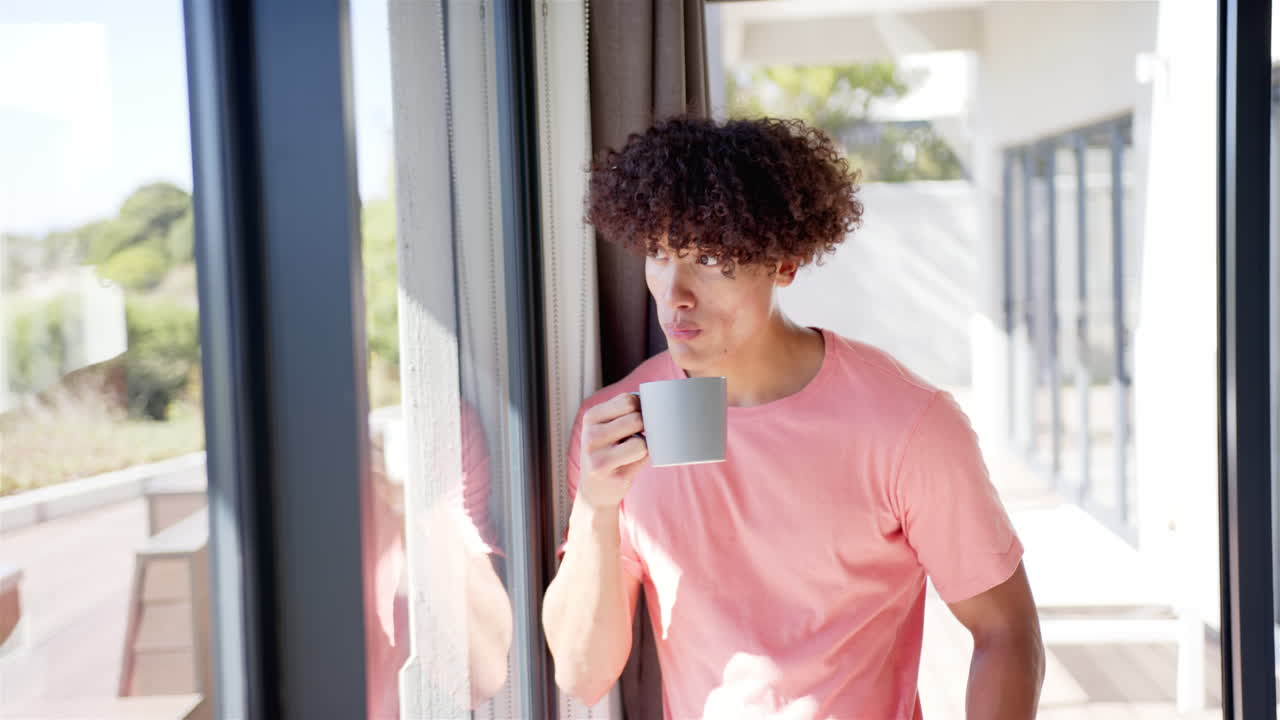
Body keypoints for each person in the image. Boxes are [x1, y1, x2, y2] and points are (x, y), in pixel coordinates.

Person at [542, 116, 1045, 720]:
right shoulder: (616, 428)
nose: (674, 293)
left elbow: (1006, 631)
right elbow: (581, 673)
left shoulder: (906, 423)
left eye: (708, 257)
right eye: (659, 252)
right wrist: (596, 506)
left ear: (786, 262)